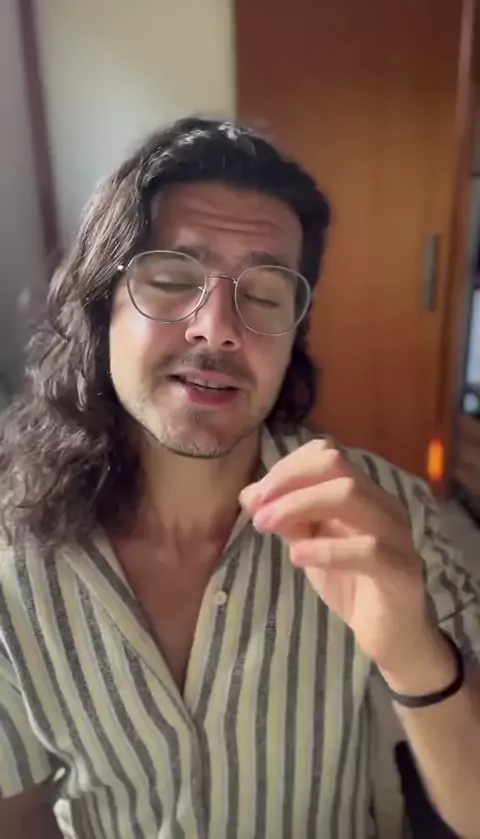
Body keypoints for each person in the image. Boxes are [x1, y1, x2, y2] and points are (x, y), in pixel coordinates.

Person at [0, 117, 479, 839]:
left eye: (264, 296)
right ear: (102, 308)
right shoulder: (14, 550)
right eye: (172, 280)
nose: (218, 328)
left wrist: (415, 651)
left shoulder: (386, 515)